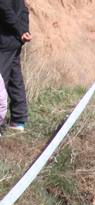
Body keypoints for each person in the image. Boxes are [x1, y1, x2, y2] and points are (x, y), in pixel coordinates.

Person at [0, 0, 29, 131]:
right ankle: (18, 119)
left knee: (1, 80)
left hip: (5, 41)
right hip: (14, 39)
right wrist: (23, 31)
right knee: (14, 78)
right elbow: (24, 10)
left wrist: (21, 31)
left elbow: (5, 9)